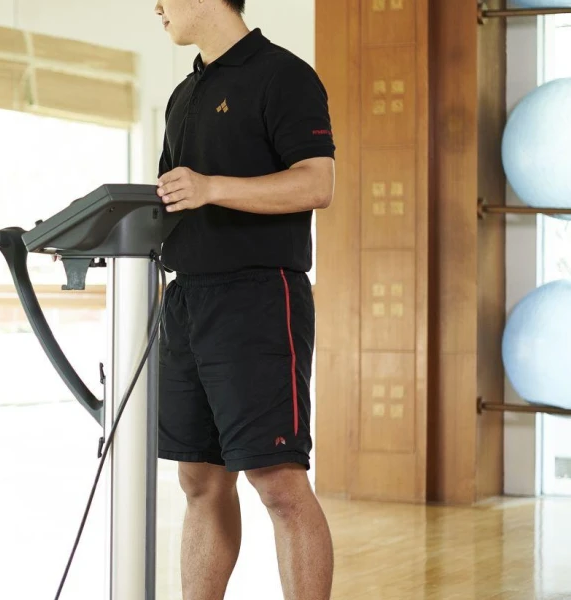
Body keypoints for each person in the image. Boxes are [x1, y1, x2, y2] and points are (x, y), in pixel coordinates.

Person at [151, 1, 336, 599]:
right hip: (187, 301)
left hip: (257, 298)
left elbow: (317, 182)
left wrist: (212, 188)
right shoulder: (184, 95)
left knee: (277, 481)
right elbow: (169, 202)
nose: (156, 5)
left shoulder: (283, 75)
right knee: (199, 481)